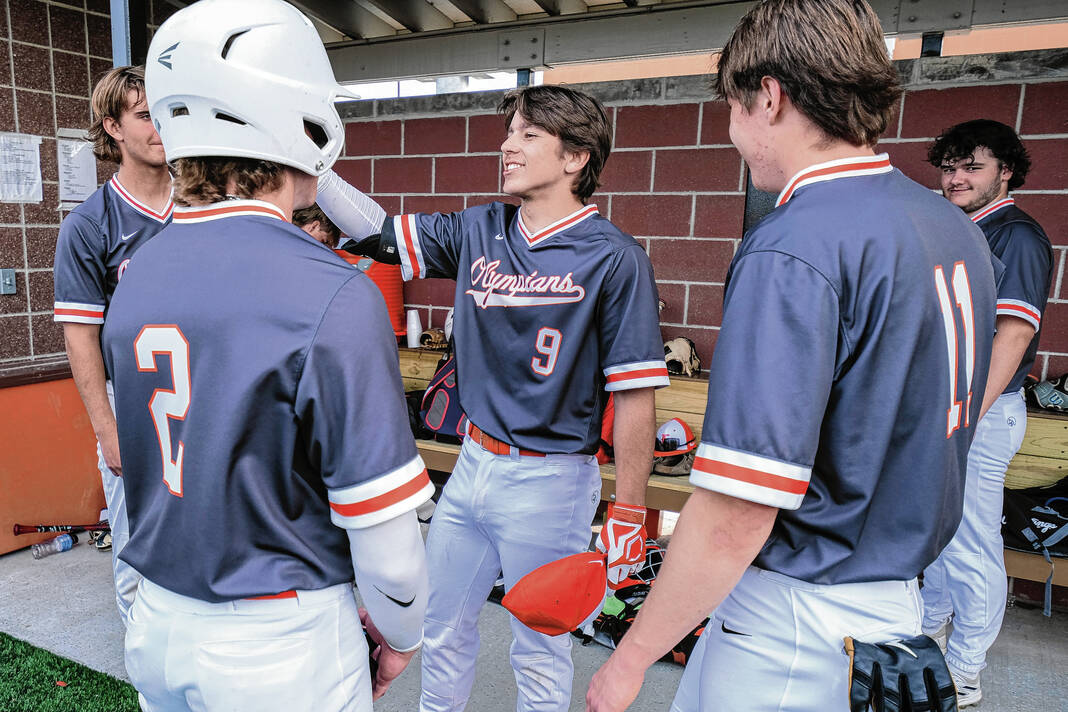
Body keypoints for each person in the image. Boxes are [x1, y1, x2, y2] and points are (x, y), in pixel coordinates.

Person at [585, 1, 999, 710]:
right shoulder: (953, 225)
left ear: (770, 96)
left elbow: (738, 511)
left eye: (732, 107)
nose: (731, 131)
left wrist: (630, 657)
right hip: (893, 607)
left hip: (797, 619)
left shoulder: (795, 241)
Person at [100, 1, 430, 710]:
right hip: (278, 636)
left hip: (156, 622)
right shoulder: (330, 288)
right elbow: (387, 539)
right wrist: (402, 633)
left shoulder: (137, 271)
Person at [318, 84, 668, 711]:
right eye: (509, 133)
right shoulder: (481, 227)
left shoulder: (615, 258)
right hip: (472, 463)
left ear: (576, 157)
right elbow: (377, 233)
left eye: (529, 134)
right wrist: (312, 166)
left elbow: (636, 395)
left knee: (538, 647)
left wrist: (629, 510)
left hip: (551, 479)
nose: (508, 146)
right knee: (440, 625)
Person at [920, 119, 1053, 707]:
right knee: (941, 534)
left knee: (971, 542)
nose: (956, 178)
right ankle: (928, 634)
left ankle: (965, 667)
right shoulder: (957, 229)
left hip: (981, 412)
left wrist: (967, 416)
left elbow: (1014, 333)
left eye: (972, 167)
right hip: (947, 409)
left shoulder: (1015, 235)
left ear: (1006, 171)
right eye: (949, 167)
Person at [52, 64, 172, 628]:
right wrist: (108, 432)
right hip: (135, 406)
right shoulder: (89, 224)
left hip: (207, 397)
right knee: (135, 554)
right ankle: (146, 667)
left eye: (166, 113)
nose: (160, 127)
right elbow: (80, 338)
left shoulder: (204, 207)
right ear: (113, 127)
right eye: (145, 115)